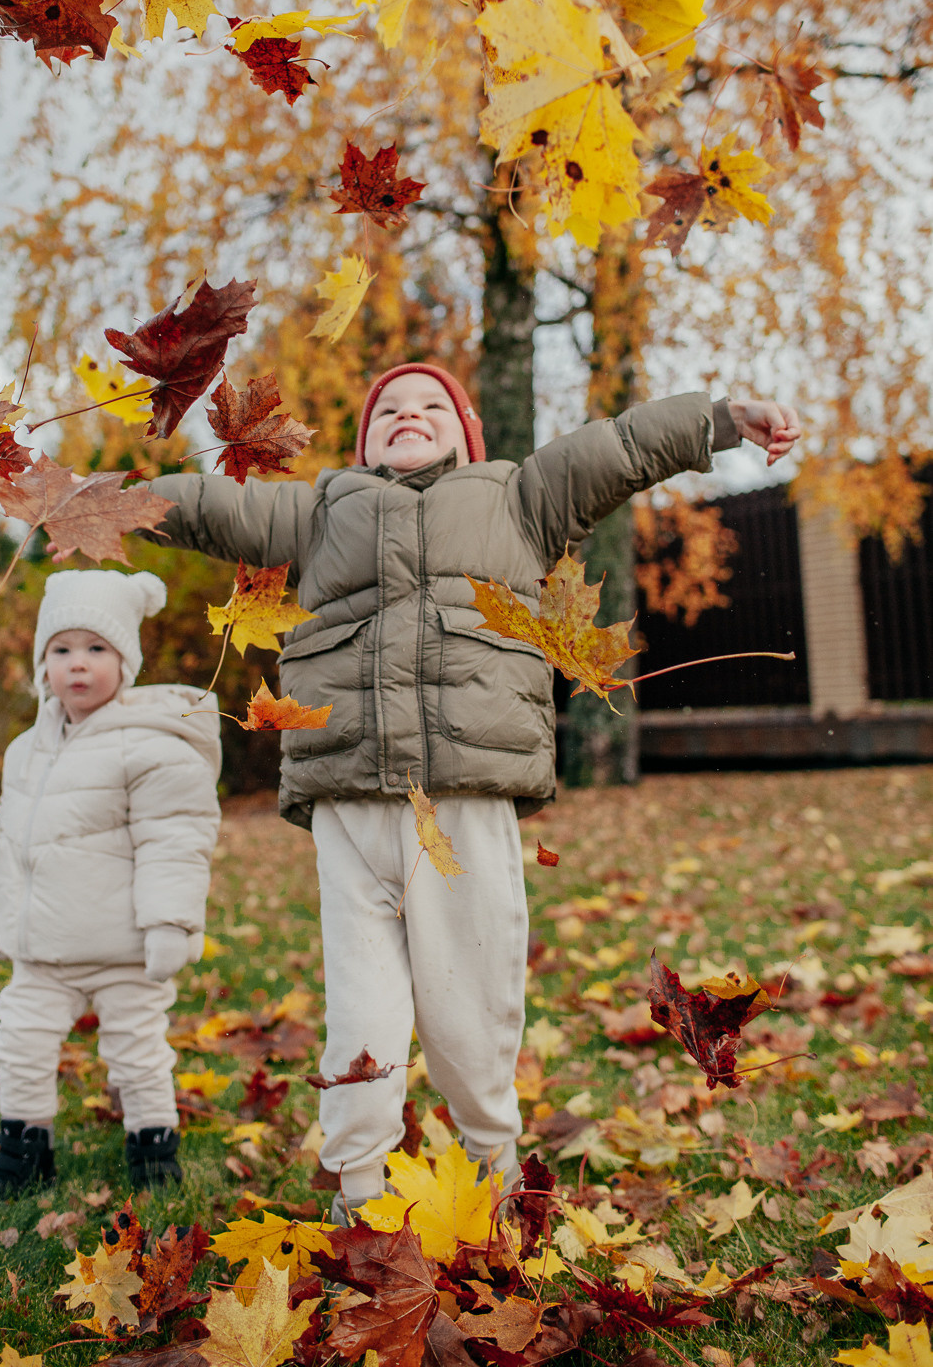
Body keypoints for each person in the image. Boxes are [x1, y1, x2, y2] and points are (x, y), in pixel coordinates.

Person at [142, 366, 801, 1222]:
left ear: (466, 434)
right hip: (350, 797)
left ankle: (492, 1160)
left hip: (465, 792)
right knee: (360, 1006)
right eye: (387, 409)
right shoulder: (320, 510)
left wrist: (720, 419)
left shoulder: (517, 497)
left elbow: (618, 447)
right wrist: (99, 503)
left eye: (430, 407)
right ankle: (358, 1189)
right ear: (363, 440)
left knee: (470, 1000)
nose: (407, 416)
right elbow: (205, 505)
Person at [0, 569, 222, 1202]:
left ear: (126, 662)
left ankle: (153, 1148)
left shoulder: (152, 745)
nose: (77, 663)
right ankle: (24, 1149)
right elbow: (8, 839)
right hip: (42, 949)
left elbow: (174, 840)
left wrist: (169, 923)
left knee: (137, 1049)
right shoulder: (26, 751)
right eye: (61, 649)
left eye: (96, 648)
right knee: (20, 1042)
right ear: (42, 663)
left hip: (121, 947)